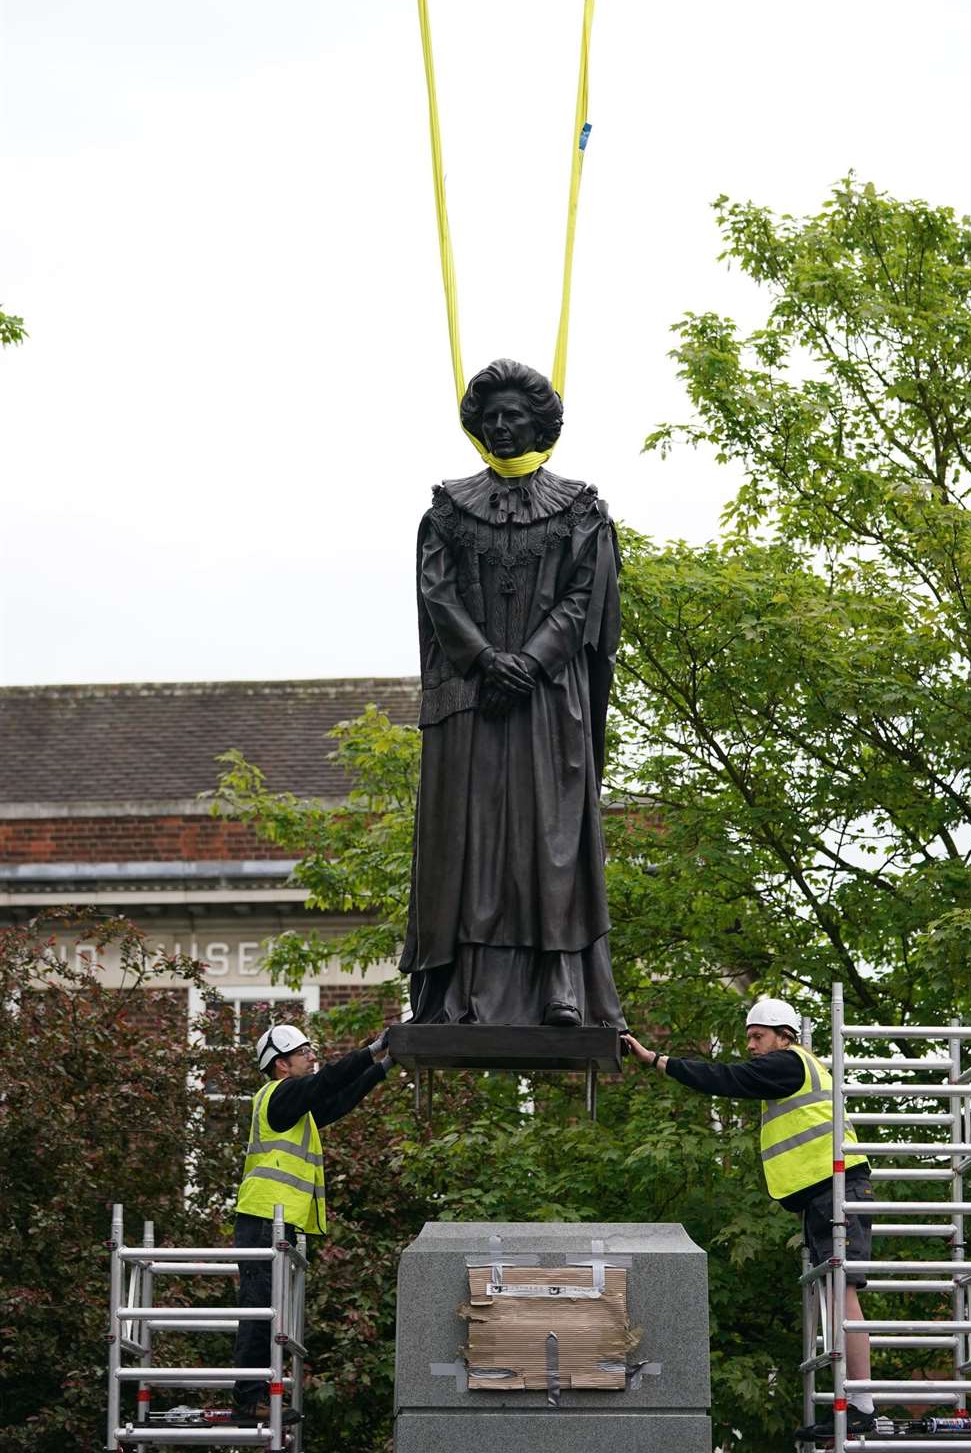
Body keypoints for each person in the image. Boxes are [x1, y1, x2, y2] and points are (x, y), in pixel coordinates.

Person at [401, 358, 624, 1029]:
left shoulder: (581, 509)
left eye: (514, 415)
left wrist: (526, 663)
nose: (500, 425)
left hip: (548, 705)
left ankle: (561, 984)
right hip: (471, 704)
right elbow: (435, 593)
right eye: (489, 415)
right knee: (465, 845)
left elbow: (585, 599)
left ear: (540, 425)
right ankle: (458, 993)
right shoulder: (446, 509)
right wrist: (484, 662)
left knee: (549, 842)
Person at [623, 998, 877, 1440]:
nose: (752, 1046)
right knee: (834, 1296)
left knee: (843, 1294)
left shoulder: (788, 1064)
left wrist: (658, 1061)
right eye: (749, 1038)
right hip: (823, 1192)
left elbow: (726, 1078)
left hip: (836, 1189)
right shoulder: (794, 1067)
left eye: (758, 1036)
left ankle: (862, 1406)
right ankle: (853, 1404)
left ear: (784, 1035)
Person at [231, 1022, 391, 1426]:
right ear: (281, 1065)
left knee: (269, 1312)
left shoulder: (293, 1108)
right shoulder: (280, 1095)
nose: (311, 1057)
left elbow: (336, 1101)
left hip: (275, 1221)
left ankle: (256, 1397)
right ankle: (248, 1401)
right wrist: (372, 1050)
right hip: (266, 1217)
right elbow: (328, 1081)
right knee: (258, 1311)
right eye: (303, 1052)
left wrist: (382, 1067)